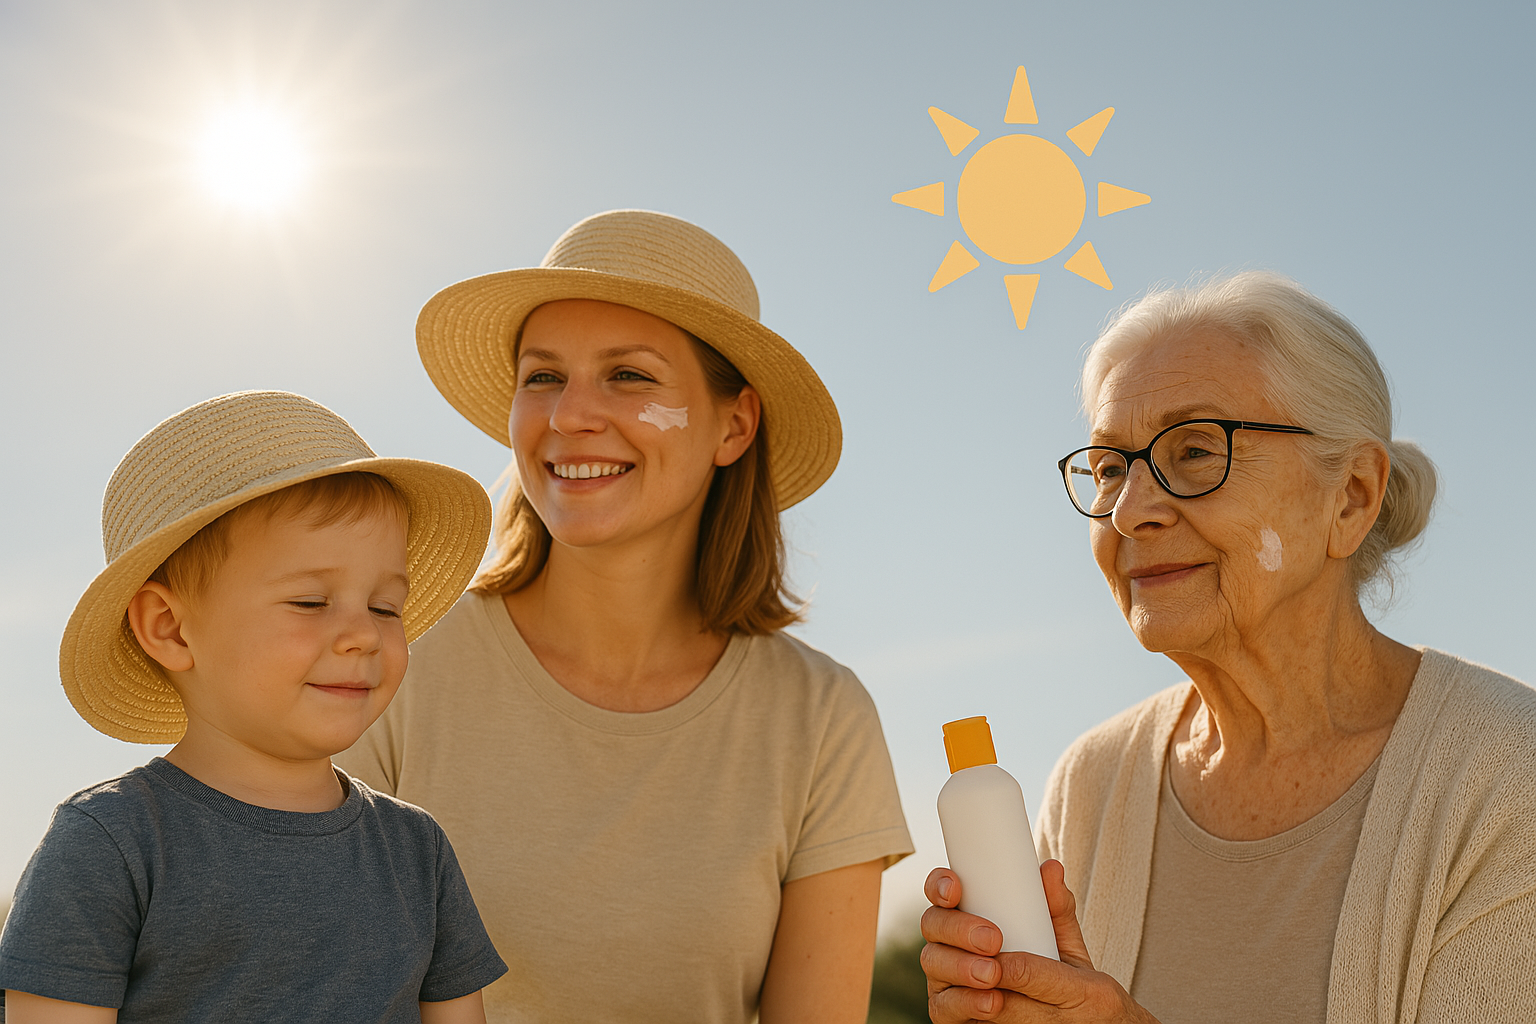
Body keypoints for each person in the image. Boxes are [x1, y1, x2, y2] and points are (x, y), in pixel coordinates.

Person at [337, 209, 914, 1023]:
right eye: (542, 377)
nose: (570, 415)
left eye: (629, 376)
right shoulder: (396, 665)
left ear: (734, 425)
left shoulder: (821, 719)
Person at [918, 272, 1536, 1023]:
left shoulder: (1510, 773)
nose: (1132, 511)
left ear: (1351, 496)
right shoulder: (1091, 785)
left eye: (1197, 451)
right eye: (1112, 467)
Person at [0, 390, 507, 1023]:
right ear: (172, 629)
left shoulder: (415, 850)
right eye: (310, 602)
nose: (364, 634)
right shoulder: (112, 843)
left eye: (385, 607)